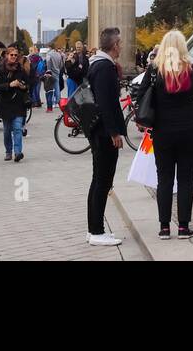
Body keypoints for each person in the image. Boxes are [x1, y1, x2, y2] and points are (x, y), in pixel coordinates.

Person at [136, 30, 193, 239]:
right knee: (186, 179)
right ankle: (184, 226)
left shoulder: (154, 70)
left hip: (163, 131)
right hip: (188, 130)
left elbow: (141, 97)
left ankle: (164, 227)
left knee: (164, 178)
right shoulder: (191, 70)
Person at [85, 27, 125, 246]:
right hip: (103, 132)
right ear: (115, 45)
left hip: (99, 130)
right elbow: (105, 104)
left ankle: (94, 229)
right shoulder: (105, 68)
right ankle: (97, 231)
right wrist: (114, 132)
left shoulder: (97, 64)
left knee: (98, 181)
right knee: (102, 181)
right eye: (120, 43)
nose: (121, 46)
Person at [0, 46, 31, 162]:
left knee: (17, 129)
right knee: (6, 131)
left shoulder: (21, 69)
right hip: (5, 104)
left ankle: (18, 152)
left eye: (16, 55)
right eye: (12, 55)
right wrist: (9, 85)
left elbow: (28, 84)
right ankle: (8, 151)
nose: (14, 57)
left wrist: (22, 86)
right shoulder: (1, 70)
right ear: (7, 55)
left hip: (19, 104)